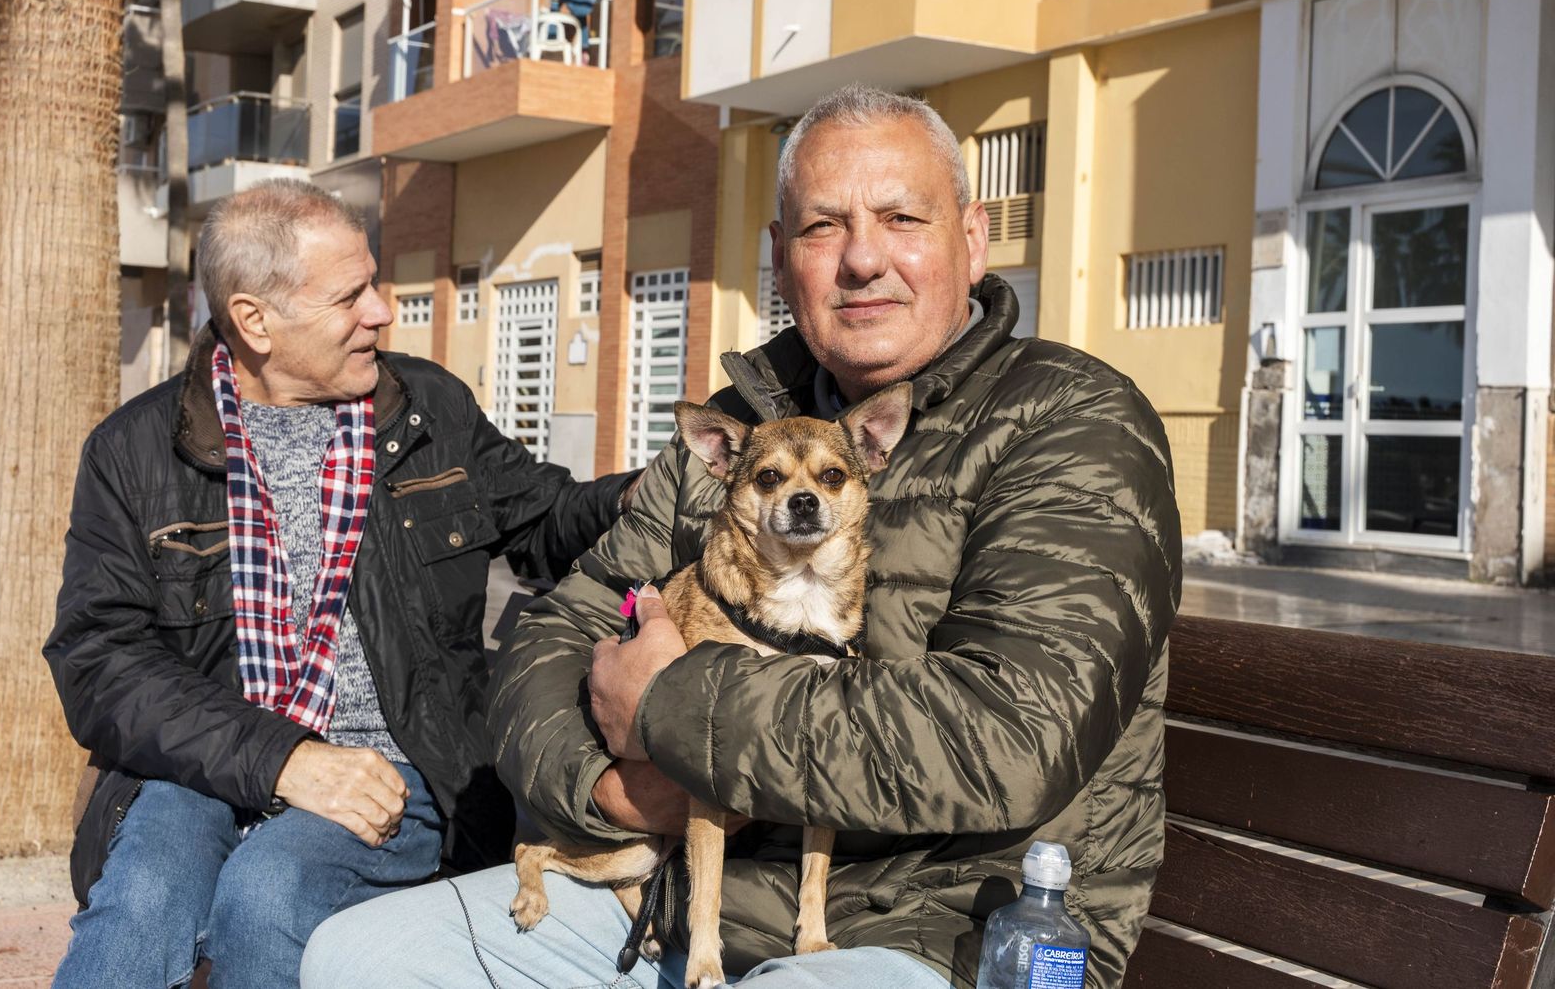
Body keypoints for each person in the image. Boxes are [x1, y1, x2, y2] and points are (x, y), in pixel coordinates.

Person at [304, 84, 1180, 989]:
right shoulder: (734, 431)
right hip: (674, 895)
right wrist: (604, 792)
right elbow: (561, 628)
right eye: (822, 227)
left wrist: (671, 708)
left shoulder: (1072, 424)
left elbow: (1010, 738)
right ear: (778, 256)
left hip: (936, 927)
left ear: (972, 237)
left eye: (902, 218)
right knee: (359, 956)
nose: (863, 258)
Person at [44, 179, 636, 989]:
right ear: (255, 320)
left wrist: (658, 490)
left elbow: (547, 519)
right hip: (200, 762)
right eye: (350, 295)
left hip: (397, 762)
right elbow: (99, 661)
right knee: (145, 898)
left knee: (268, 892)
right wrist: (281, 758)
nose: (382, 311)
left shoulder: (427, 407)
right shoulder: (134, 451)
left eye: (375, 283)